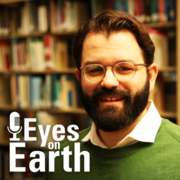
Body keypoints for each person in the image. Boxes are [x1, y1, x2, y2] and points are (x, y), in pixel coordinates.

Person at [45, 10, 180, 179]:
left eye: (124, 68)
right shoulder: (60, 157)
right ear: (79, 78)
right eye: (94, 69)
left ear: (151, 77)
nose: (109, 82)